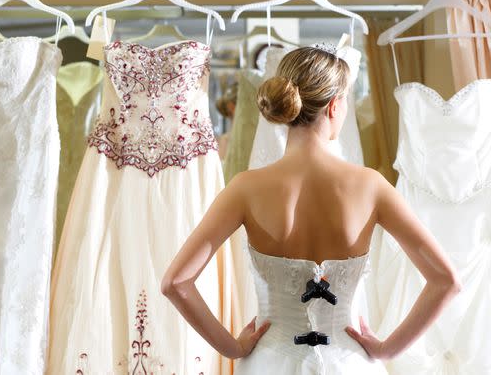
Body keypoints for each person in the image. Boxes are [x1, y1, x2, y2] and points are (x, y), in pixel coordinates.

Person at [162, 45, 461, 373]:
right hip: (348, 364)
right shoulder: (370, 185)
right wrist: (386, 349)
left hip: (269, 362)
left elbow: (176, 283)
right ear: (334, 106)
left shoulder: (246, 188)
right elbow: (446, 280)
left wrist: (231, 347)